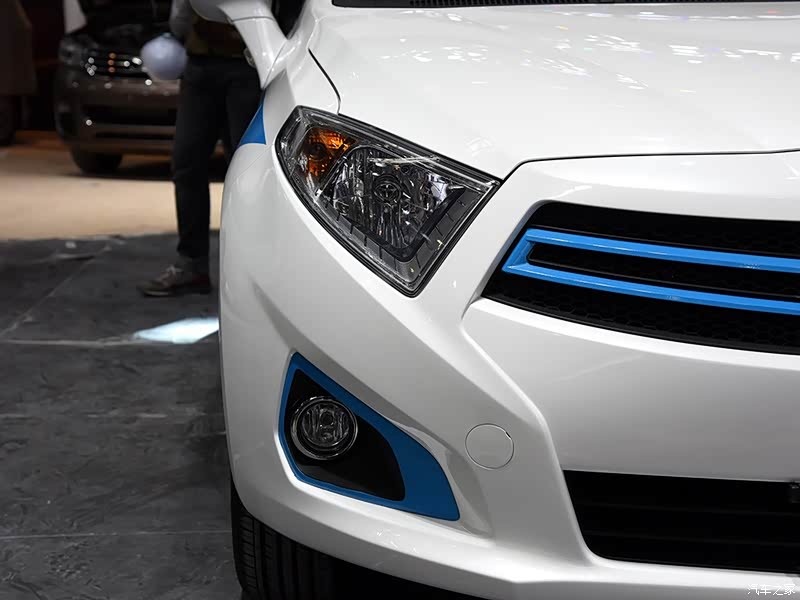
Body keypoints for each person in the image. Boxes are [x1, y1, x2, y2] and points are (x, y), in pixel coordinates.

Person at [138, 0, 260, 297]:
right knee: (187, 164)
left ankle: (251, 271)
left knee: (248, 172)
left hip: (250, 65)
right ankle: (191, 265)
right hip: (201, 65)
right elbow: (180, 14)